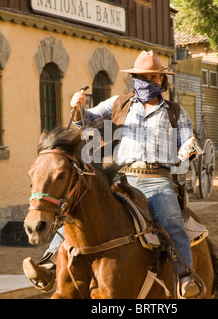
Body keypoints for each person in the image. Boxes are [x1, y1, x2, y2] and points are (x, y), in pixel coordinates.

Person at [23, 50, 200, 298]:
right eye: (142, 76)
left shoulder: (176, 113)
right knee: (75, 209)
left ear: (162, 80)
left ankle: (185, 276)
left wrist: (188, 149)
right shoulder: (119, 103)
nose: (148, 81)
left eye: (153, 77)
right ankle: (48, 265)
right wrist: (79, 108)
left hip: (157, 179)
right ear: (135, 78)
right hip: (120, 178)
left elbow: (187, 147)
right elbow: (88, 122)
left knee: (171, 219)